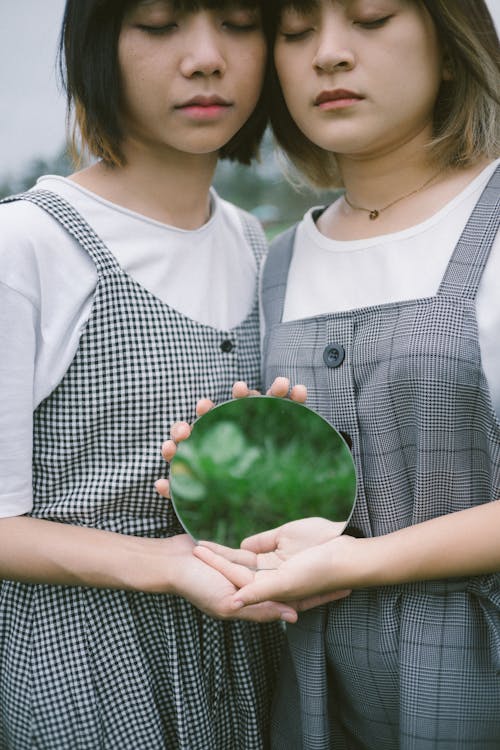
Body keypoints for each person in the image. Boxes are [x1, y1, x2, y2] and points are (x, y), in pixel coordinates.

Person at [190, 1, 500, 747]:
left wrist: (366, 560)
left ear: (453, 46)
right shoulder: (275, 261)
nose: (327, 54)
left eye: (369, 17)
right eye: (295, 33)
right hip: (306, 692)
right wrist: (227, 480)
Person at [0, 1, 306, 747]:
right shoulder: (28, 245)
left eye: (238, 23)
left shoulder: (252, 241)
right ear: (99, 46)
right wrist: (162, 564)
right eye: (160, 24)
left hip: (246, 649)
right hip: (86, 661)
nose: (206, 57)